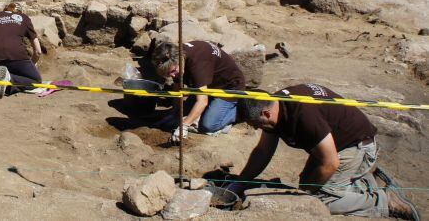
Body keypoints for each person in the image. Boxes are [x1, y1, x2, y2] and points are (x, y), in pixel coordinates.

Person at [229, 84, 419, 220]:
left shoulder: (302, 115)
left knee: (318, 200)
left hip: (356, 146)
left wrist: (306, 195)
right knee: (307, 182)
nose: (255, 129)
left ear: (266, 114)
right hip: (336, 145)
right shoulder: (274, 104)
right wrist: (240, 182)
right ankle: (364, 181)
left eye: (255, 125)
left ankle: (385, 202)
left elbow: (330, 163)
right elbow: (263, 150)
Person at [152, 40, 245, 142]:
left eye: (173, 71)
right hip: (207, 85)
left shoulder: (197, 63)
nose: (173, 76)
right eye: (169, 74)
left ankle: (236, 112)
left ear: (179, 60)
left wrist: (184, 127)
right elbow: (178, 88)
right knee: (179, 118)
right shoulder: (174, 56)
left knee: (208, 125)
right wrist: (175, 113)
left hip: (229, 87)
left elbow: (202, 101)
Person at [0, 3, 43, 99]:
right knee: (36, 80)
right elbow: (38, 51)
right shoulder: (23, 18)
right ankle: (9, 78)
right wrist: (32, 63)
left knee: (5, 66)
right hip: (13, 52)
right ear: (20, 11)